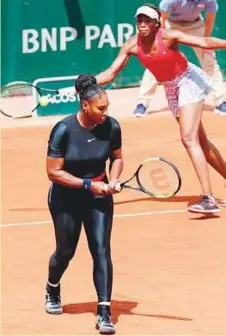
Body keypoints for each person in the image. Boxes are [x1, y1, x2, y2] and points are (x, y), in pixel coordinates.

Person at [94, 3, 226, 214]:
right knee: (199, 141)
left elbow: (204, 41)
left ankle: (208, 199)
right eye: (140, 20)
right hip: (171, 88)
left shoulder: (169, 36)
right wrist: (86, 81)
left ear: (157, 24)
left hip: (188, 81)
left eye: (148, 21)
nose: (143, 25)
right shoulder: (132, 45)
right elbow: (110, 74)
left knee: (188, 139)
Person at [45, 74, 124, 335]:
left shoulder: (111, 126)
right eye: (101, 108)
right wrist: (89, 185)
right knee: (65, 252)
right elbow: (54, 173)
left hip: (100, 197)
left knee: (101, 249)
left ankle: (104, 311)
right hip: (65, 198)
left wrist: (112, 180)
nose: (105, 113)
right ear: (85, 106)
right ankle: (52, 287)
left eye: (107, 108)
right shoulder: (63, 129)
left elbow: (117, 158)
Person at [133, 0, 226, 117]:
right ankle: (142, 103)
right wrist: (161, 42)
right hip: (170, 25)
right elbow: (161, 19)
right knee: (156, 60)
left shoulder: (208, 0)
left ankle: (221, 100)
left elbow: (210, 19)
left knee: (209, 61)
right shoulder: (171, 1)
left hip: (196, 25)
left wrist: (205, 39)